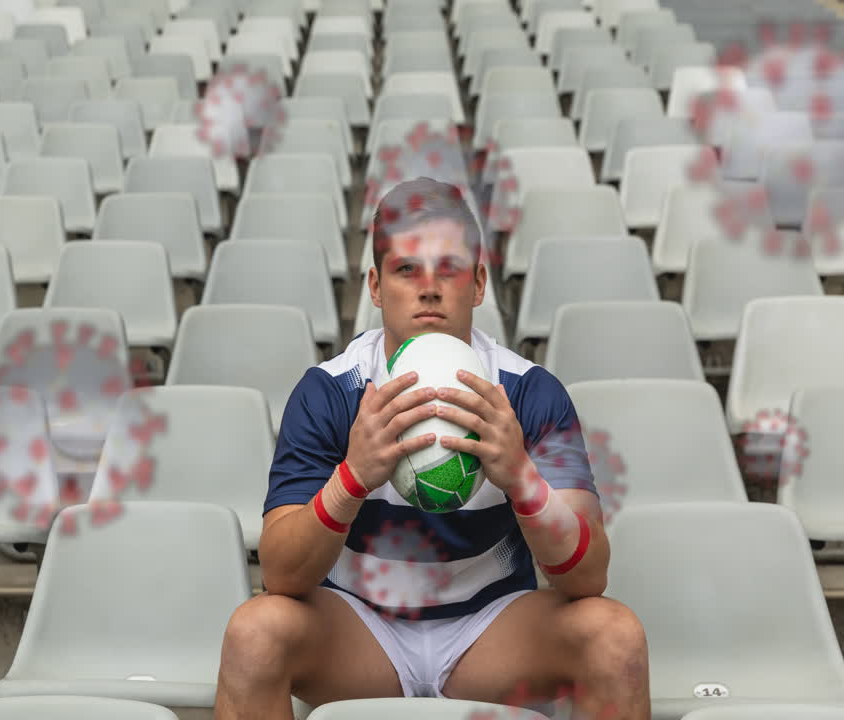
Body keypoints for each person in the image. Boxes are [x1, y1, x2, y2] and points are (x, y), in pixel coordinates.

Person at [214, 178, 650, 719]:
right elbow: (280, 575)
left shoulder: (530, 393)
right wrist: (352, 478)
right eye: (405, 270)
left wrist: (521, 479)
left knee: (616, 637)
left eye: (449, 269)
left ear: (479, 283)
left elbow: (588, 578)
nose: (428, 288)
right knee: (254, 634)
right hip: (361, 629)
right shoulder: (330, 391)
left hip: (490, 630)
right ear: (374, 286)